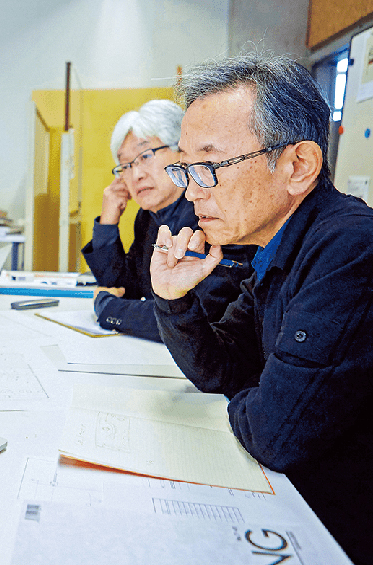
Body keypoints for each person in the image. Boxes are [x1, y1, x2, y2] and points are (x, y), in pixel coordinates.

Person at [150, 53, 373, 565]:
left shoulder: (348, 248)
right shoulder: (278, 250)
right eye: (186, 168)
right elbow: (223, 368)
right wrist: (172, 297)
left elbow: (277, 432)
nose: (190, 189)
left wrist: (260, 396)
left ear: (298, 166)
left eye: (209, 167)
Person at [81, 100, 254, 342]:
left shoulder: (212, 213)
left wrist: (109, 310)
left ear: (182, 153)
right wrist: (108, 223)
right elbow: (122, 286)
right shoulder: (149, 216)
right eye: (125, 166)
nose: (136, 174)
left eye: (145, 156)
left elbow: (196, 315)